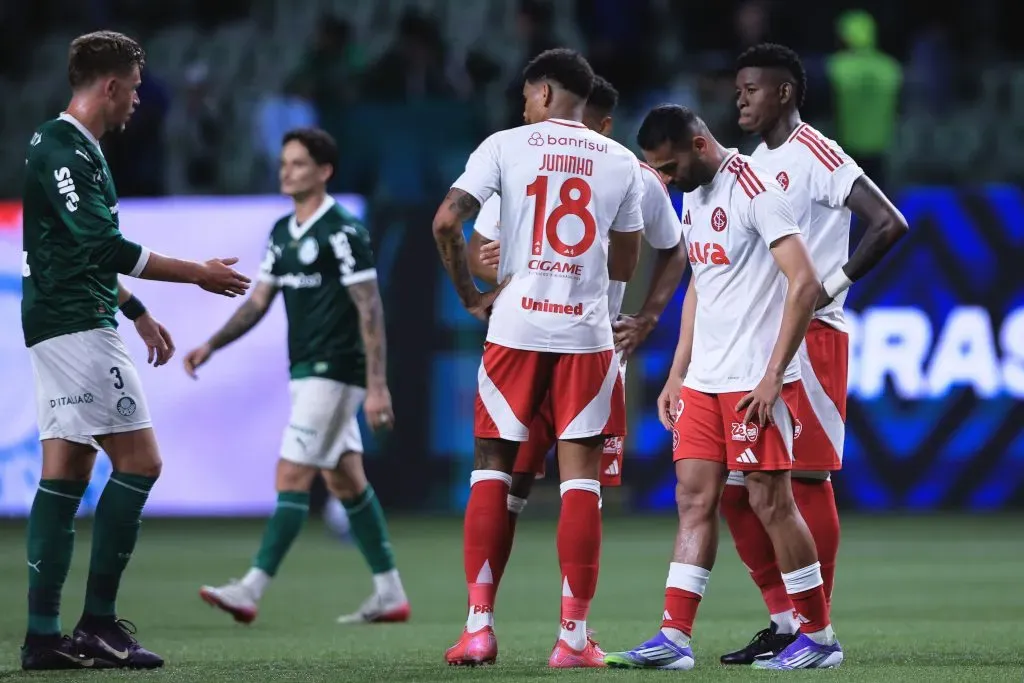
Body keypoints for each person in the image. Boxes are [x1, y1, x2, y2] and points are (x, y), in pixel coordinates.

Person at [20, 30, 250, 671]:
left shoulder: (74, 149)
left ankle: (43, 638)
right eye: (137, 89)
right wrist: (197, 273)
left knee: (65, 474)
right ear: (112, 86)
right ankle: (97, 624)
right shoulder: (65, 149)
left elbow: (77, 250)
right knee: (141, 463)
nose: (139, 102)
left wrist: (138, 311)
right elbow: (101, 247)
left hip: (67, 317)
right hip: (74, 327)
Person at [604, 105, 842, 670]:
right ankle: (674, 637)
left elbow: (805, 283)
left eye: (668, 168)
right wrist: (678, 372)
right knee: (693, 498)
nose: (663, 180)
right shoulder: (694, 195)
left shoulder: (757, 190)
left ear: (698, 144)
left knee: (770, 500)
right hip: (705, 381)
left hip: (753, 382)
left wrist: (772, 375)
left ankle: (820, 637)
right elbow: (700, 287)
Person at [432, 48, 645, 668]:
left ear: (546, 93)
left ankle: (478, 629)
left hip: (515, 329)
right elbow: (627, 263)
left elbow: (449, 222)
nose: (524, 107)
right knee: (580, 483)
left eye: (527, 96)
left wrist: (472, 296)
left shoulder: (506, 145)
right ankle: (573, 640)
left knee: (491, 473)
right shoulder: (621, 161)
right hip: (586, 334)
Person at [717, 43, 908, 664]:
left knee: (806, 478)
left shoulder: (816, 154)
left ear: (785, 93)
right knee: (734, 487)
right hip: (757, 340)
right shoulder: (749, 164)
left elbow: (889, 222)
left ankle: (815, 634)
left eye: (752, 88)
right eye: (737, 87)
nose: (740, 97)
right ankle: (785, 619)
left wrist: (834, 283)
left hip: (813, 334)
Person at [184, 128, 410, 627]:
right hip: (305, 371)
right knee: (345, 481)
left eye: (299, 163)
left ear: (324, 171)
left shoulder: (343, 231)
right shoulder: (282, 233)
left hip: (337, 370)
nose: (287, 171)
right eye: (285, 162)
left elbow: (369, 307)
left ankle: (250, 588)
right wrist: (211, 344)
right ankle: (390, 592)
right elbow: (259, 302)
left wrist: (376, 386)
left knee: (291, 476)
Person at [467, 74, 685, 565]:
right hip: (538, 339)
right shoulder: (524, 164)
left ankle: (509, 622)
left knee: (574, 483)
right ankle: (521, 621)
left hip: (588, 346)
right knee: (513, 483)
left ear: (603, 125)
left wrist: (647, 317)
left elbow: (674, 249)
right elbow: (478, 254)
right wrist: (501, 261)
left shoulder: (630, 173)